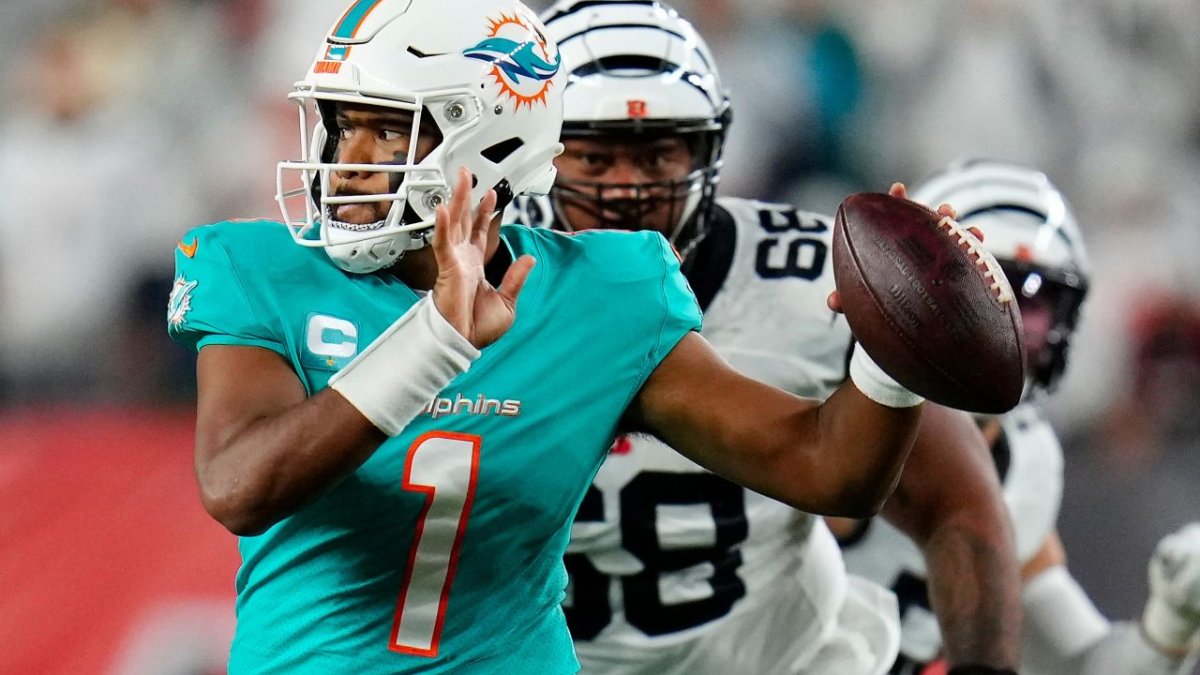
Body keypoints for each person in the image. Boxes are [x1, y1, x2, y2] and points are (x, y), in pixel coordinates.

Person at [165, 0, 966, 672]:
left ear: (487, 145)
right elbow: (240, 485)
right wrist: (433, 340)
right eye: (340, 127)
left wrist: (893, 351)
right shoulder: (259, 265)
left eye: (385, 131)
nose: (348, 160)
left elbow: (827, 467)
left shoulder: (604, 293)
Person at [508, 2, 1021, 673]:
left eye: (661, 153)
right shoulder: (482, 290)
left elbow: (957, 504)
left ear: (710, 150)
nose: (628, 189)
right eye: (596, 157)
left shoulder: (817, 282)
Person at [837, 158, 1200, 675]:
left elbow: (1086, 662)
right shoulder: (844, 406)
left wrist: (1169, 625)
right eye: (985, 291)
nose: (1004, 327)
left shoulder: (1024, 453)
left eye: (1033, 304)